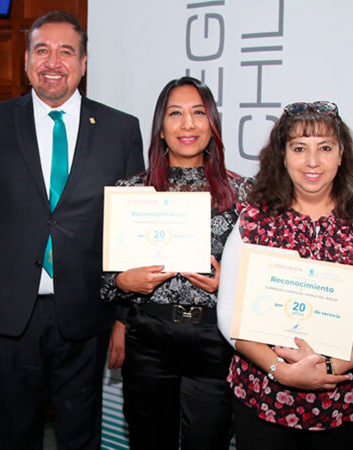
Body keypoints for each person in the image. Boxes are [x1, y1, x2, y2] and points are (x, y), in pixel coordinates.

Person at [0, 10, 144, 449]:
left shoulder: (120, 129)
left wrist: (123, 321)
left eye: (65, 51)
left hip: (88, 310)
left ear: (84, 63)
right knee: (15, 433)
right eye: (42, 50)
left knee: (81, 434)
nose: (53, 62)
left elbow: (129, 231)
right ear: (25, 60)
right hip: (7, 312)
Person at [216, 102, 353, 449]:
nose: (313, 162)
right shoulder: (253, 223)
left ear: (342, 154)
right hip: (264, 397)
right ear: (283, 156)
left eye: (325, 148)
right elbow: (229, 316)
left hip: (344, 401)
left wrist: (332, 366)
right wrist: (280, 370)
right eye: (299, 149)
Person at [100, 77, 250, 449]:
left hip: (217, 341)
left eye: (198, 113)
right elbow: (103, 283)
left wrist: (227, 283)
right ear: (161, 129)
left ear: (212, 125)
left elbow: (259, 279)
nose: (187, 124)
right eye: (176, 114)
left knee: (209, 442)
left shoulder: (245, 194)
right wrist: (123, 282)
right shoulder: (131, 192)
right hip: (150, 338)